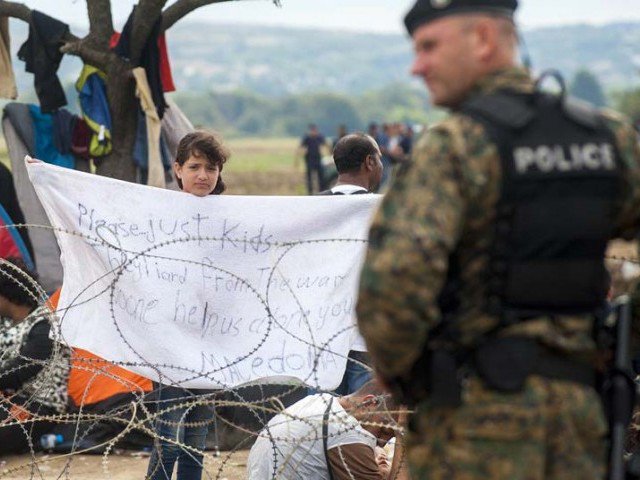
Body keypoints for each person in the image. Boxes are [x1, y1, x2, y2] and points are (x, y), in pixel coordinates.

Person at [356, 1, 640, 479]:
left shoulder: (456, 149)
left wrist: (413, 376)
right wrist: (622, 336)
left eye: (429, 47)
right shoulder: (607, 139)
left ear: (483, 40)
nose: (417, 66)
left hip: (472, 423)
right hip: (581, 421)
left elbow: (392, 294)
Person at [146, 130, 229, 480]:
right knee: (169, 436)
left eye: (211, 168)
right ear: (177, 169)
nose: (203, 176)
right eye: (194, 166)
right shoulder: (160, 214)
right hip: (169, 341)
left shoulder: (230, 217)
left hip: (208, 341)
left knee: (196, 437)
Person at [317, 134, 382, 395]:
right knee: (366, 428)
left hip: (319, 339)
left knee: (319, 423)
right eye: (380, 159)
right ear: (369, 162)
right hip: (365, 341)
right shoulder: (384, 210)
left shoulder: (308, 209)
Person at [246, 381, 406, 479]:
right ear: (369, 404)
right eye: (384, 432)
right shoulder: (347, 431)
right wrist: (402, 436)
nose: (382, 443)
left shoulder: (316, 402)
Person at [0, 257, 71, 454]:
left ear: (6, 294)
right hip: (8, 401)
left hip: (40, 409)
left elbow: (21, 369)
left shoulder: (44, 327)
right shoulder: (4, 323)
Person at [297, 124, 329, 194]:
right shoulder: (307, 138)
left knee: (321, 177)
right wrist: (297, 160)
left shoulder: (319, 137)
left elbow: (326, 144)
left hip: (318, 159)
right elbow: (300, 147)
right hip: (309, 160)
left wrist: (330, 154)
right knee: (309, 178)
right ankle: (310, 192)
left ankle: (322, 191)